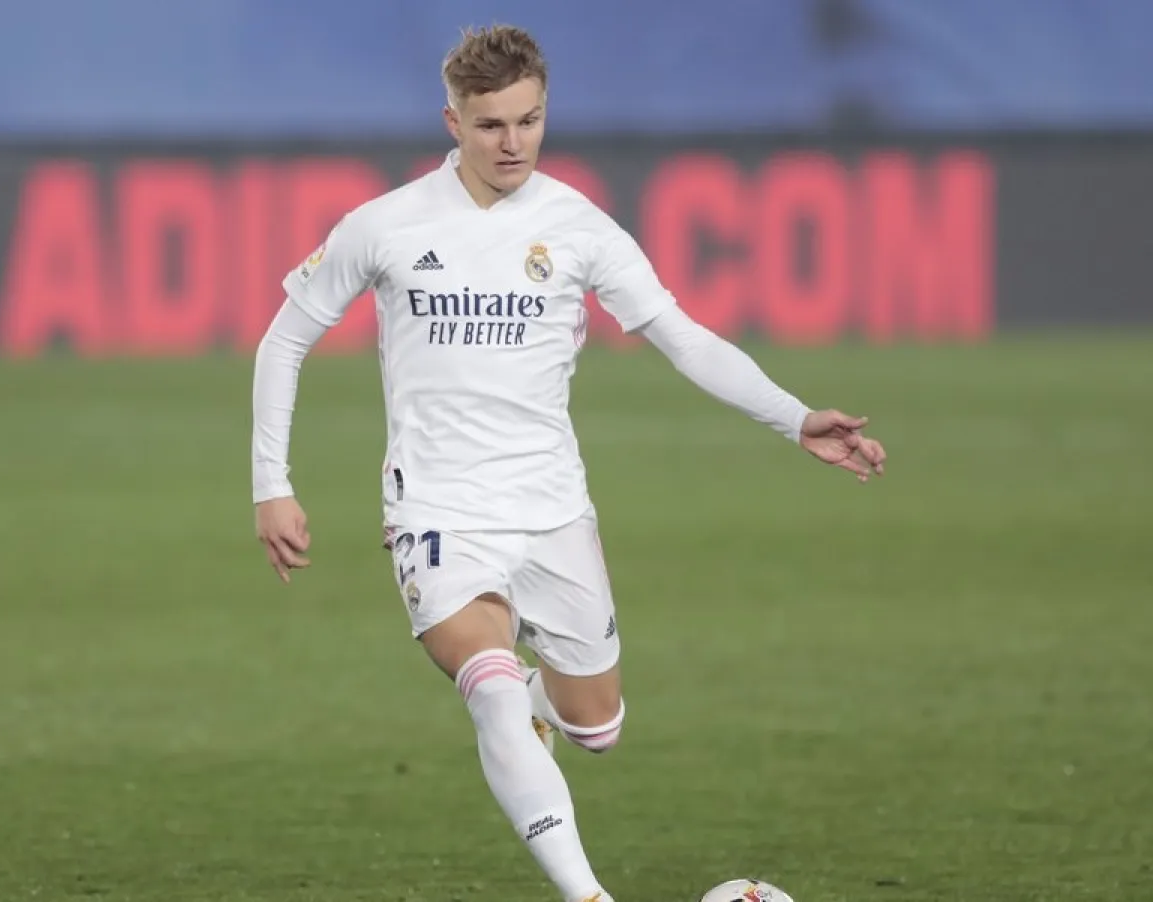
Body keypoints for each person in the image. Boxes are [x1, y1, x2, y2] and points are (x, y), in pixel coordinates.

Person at [250, 23, 887, 902]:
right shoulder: (386, 226)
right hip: (439, 514)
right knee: (494, 687)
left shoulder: (576, 226)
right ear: (452, 121)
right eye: (491, 125)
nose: (513, 143)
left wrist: (794, 418)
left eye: (530, 120)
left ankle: (542, 724)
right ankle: (588, 895)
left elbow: (682, 337)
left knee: (598, 727)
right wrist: (271, 484)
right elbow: (285, 340)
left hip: (552, 510)